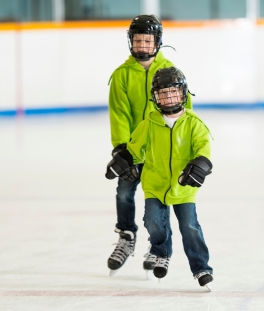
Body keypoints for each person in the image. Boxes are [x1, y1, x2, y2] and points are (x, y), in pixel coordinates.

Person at [105, 67, 213, 290]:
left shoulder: (194, 123)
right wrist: (122, 160)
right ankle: (160, 251)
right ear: (155, 97)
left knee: (190, 227)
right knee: (153, 222)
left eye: (172, 92)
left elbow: (204, 148)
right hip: (155, 184)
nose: (168, 97)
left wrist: (200, 165)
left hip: (183, 187)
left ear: (183, 93)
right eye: (162, 93)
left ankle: (201, 267)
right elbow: (135, 149)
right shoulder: (148, 123)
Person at [106, 14, 193, 277]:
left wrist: (181, 150)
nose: (142, 45)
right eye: (137, 40)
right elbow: (119, 113)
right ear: (130, 42)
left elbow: (183, 112)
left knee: (159, 200)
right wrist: (122, 150)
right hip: (134, 149)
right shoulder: (121, 75)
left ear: (157, 42)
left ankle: (160, 248)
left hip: (160, 149)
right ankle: (126, 235)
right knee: (124, 192)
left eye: (147, 40)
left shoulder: (170, 73)